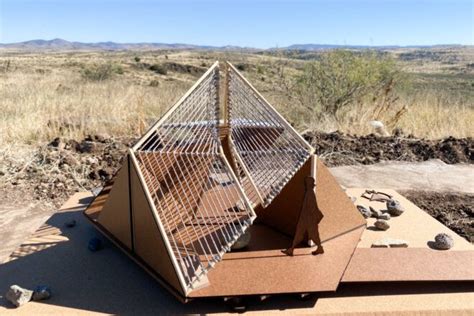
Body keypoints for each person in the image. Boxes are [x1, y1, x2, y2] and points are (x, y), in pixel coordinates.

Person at [283, 176, 324, 256]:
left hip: (308, 220)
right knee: (304, 234)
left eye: (307, 183)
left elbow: (312, 208)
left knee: (312, 235)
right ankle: (291, 249)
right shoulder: (309, 193)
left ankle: (319, 248)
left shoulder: (310, 193)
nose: (306, 184)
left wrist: (308, 220)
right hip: (307, 220)